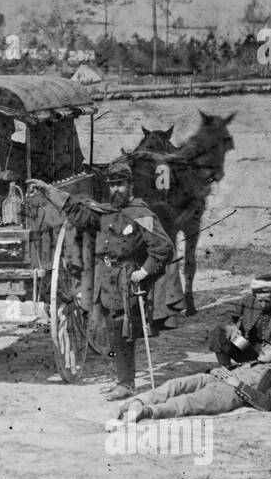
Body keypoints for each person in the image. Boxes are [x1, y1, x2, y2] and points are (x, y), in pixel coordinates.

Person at [28, 160, 173, 401]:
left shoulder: (142, 214)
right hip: (106, 281)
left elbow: (163, 246)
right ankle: (121, 380)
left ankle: (126, 384)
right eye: (113, 186)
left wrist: (145, 272)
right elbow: (77, 211)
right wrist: (48, 190)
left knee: (123, 334)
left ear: (130, 185)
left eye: (121, 185)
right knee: (114, 334)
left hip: (126, 282)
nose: (116, 190)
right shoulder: (105, 213)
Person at [109, 352, 271, 422]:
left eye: (269, 347)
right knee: (177, 384)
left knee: (189, 401)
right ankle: (132, 403)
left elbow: (267, 404)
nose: (263, 347)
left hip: (230, 393)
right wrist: (214, 371)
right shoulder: (252, 361)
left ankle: (147, 411)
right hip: (215, 379)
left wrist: (237, 384)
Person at [208, 275, 271, 380]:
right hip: (245, 346)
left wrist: (270, 349)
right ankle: (226, 372)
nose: (263, 305)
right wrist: (230, 326)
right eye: (260, 301)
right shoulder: (248, 300)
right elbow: (227, 314)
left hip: (266, 352)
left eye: (268, 301)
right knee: (219, 332)